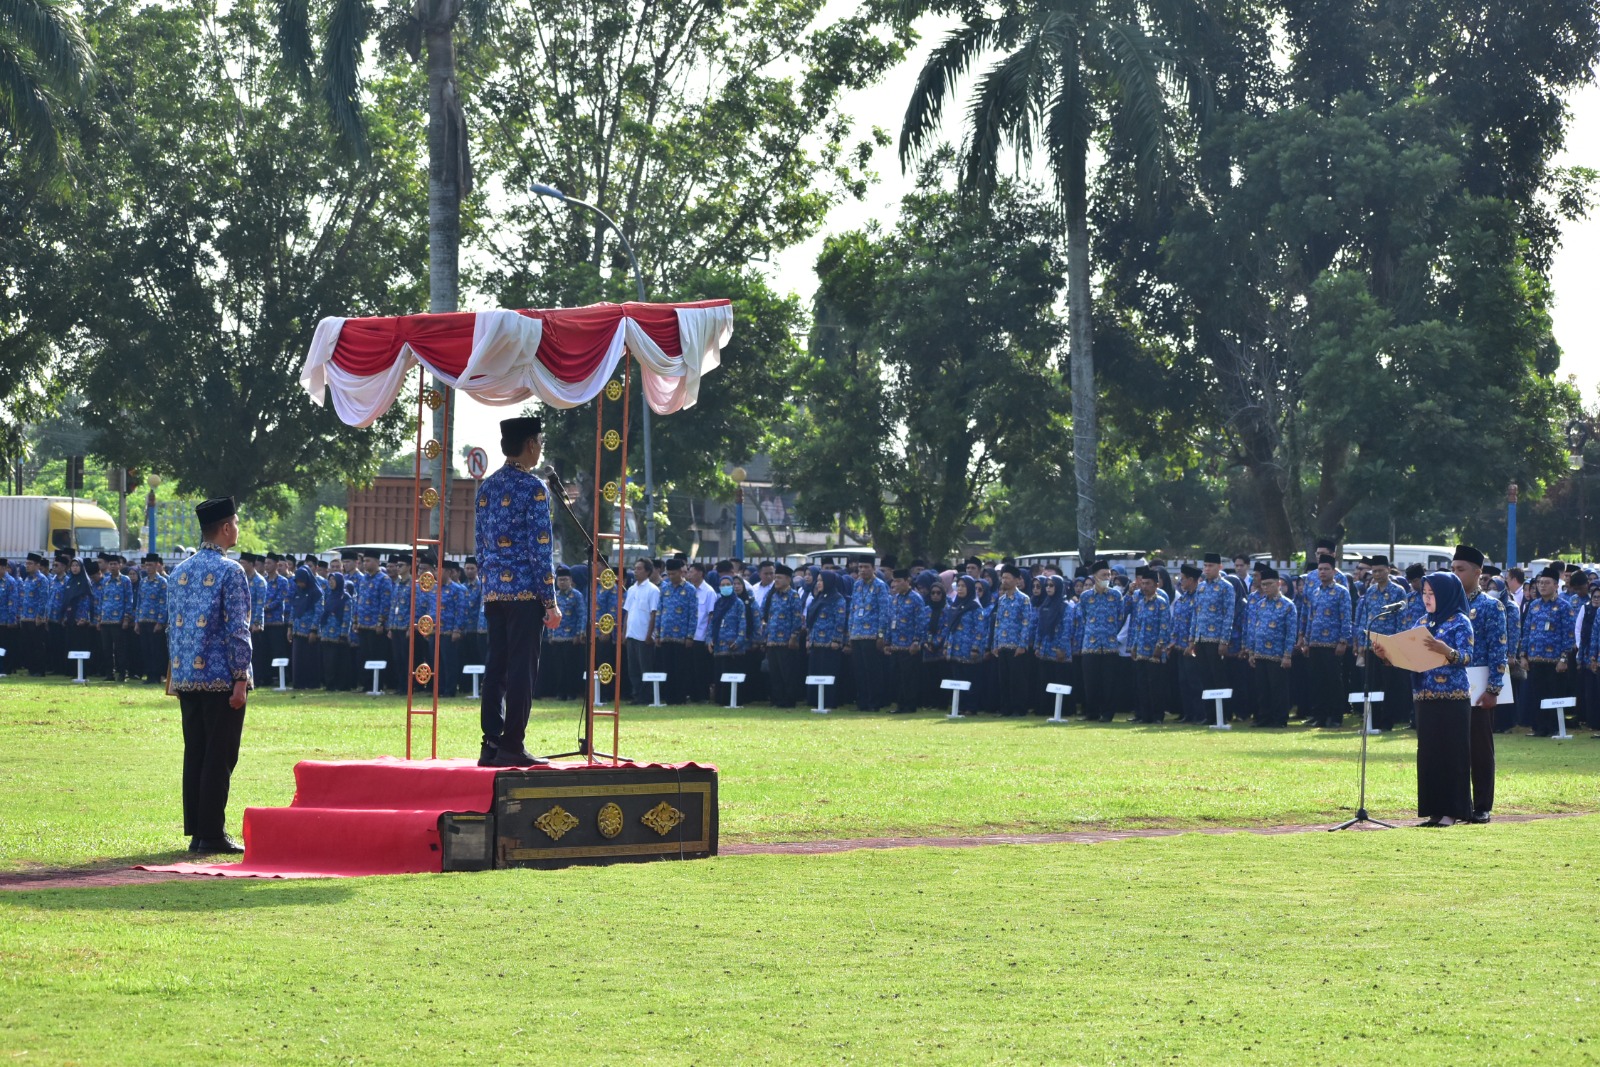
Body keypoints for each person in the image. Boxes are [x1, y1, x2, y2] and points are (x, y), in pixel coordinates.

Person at [165, 497, 252, 853]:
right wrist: (241, 677)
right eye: (236, 523)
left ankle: (199, 832)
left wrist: (173, 673)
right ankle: (213, 834)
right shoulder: (232, 572)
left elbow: (171, 627)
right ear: (227, 527)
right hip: (221, 678)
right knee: (220, 755)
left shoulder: (179, 571)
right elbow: (238, 628)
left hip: (188, 677)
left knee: (196, 752)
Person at [475, 416, 561, 767]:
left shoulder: (487, 488)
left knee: (496, 667)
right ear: (530, 444)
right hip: (526, 593)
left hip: (494, 593)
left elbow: (480, 546)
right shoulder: (534, 488)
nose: (540, 448)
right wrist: (551, 601)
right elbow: (540, 549)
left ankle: (491, 742)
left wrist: (489, 585)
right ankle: (513, 743)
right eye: (539, 441)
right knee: (522, 670)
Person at [1375, 571, 1473, 826]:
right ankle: (1434, 811)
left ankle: (1452, 812)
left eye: (1432, 594)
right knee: (1429, 754)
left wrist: (1446, 650)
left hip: (1453, 698)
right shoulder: (1421, 622)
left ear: (1446, 595)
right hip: (1424, 696)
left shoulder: (1460, 621)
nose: (1427, 599)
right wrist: (1387, 656)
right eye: (1424, 594)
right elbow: (1410, 658)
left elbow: (1466, 657)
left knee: (1452, 753)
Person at [1449, 545, 1506, 823]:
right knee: (1453, 749)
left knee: (1480, 749)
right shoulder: (1448, 605)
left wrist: (1493, 690)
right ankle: (1458, 804)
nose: (1455, 574)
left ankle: (1482, 805)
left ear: (1477, 572)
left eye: (1460, 569)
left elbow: (1499, 651)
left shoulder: (1490, 606)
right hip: (1448, 687)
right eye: (1453, 569)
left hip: (1479, 687)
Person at [1520, 565, 1576, 737]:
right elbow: (1527, 631)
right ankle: (1538, 727)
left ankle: (1552, 727)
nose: (1542, 586)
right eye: (1540, 583)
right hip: (1535, 659)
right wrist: (1523, 655)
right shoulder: (1534, 605)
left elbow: (1569, 635)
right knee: (1537, 695)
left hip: (1554, 661)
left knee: (1553, 695)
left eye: (1546, 583)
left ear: (1556, 585)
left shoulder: (1564, 607)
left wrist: (1564, 659)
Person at [1298, 554, 1352, 727]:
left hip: (1332, 643)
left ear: (1334, 571)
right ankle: (1319, 716)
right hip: (1315, 643)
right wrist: (1306, 641)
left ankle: (1335, 717)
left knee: (1334, 681)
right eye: (1320, 569)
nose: (1322, 572)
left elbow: (1346, 617)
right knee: (1317, 681)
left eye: (1326, 569)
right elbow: (1310, 617)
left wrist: (1343, 641)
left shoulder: (1342, 592)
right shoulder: (1315, 592)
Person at [1244, 569, 1296, 726]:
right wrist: (1251, 652)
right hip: (1260, 653)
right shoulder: (1260, 604)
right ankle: (1263, 717)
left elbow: (1291, 633)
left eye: (1269, 584)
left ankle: (1279, 719)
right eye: (1263, 585)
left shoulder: (1288, 605)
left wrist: (1287, 655)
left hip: (1278, 654)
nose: (1265, 588)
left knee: (1278, 688)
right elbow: (1253, 629)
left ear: (1278, 584)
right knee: (1262, 688)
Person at [1076, 559, 1123, 721]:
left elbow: (1120, 617)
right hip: (1090, 645)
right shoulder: (1085, 597)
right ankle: (1092, 713)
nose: (1107, 578)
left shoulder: (1116, 595)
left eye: (1108, 575)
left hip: (1110, 645)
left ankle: (1108, 713)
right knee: (1091, 682)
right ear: (1094, 577)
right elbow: (1082, 618)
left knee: (1109, 682)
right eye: (1103, 575)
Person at [1127, 566, 1171, 723]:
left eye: (1148, 584)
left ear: (1156, 585)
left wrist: (1160, 646)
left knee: (1156, 686)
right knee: (1142, 685)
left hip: (1154, 651)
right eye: (1143, 583)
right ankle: (1145, 716)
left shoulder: (1161, 602)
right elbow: (1137, 626)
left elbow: (1165, 627)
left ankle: (1158, 716)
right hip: (1140, 650)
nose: (1144, 587)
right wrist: (1133, 646)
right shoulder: (1140, 603)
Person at [760, 564, 806, 708]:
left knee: (788, 672)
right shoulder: (772, 595)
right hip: (772, 640)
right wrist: (765, 637)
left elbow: (797, 618)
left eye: (779, 578)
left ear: (787, 579)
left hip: (786, 641)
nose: (776, 581)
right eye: (775, 578)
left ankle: (788, 700)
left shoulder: (793, 595)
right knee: (775, 673)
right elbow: (768, 617)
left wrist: (794, 636)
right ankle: (777, 699)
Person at [884, 569, 929, 713]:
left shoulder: (916, 598)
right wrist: (887, 642)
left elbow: (921, 621)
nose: (895, 584)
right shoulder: (895, 599)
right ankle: (900, 704)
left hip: (909, 645)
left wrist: (917, 641)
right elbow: (890, 621)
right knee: (897, 677)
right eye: (894, 581)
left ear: (907, 581)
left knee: (909, 677)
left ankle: (910, 705)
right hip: (896, 645)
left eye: (898, 581)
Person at [654, 558, 699, 704]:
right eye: (669, 573)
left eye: (673, 573)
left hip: (682, 637)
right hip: (665, 635)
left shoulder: (690, 589)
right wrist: (658, 633)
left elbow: (693, 614)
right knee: (667, 668)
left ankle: (680, 698)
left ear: (681, 572)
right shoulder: (664, 588)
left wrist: (690, 636)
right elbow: (659, 611)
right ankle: (668, 697)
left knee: (681, 669)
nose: (671, 576)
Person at [621, 558, 659, 706]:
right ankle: (636, 695)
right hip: (631, 634)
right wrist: (624, 633)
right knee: (633, 669)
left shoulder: (653, 590)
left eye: (639, 569)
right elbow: (628, 613)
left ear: (648, 571)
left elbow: (653, 613)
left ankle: (646, 696)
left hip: (644, 636)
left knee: (645, 668)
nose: (635, 571)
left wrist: (649, 635)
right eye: (635, 568)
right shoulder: (631, 589)